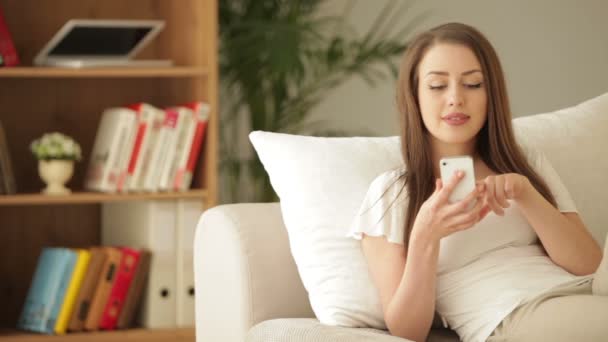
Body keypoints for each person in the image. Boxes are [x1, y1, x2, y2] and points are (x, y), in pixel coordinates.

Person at [347, 22, 608, 342]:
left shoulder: (525, 164)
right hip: (513, 315)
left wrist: (526, 194)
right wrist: (425, 237)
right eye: (437, 86)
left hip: (583, 293)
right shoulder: (393, 192)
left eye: (472, 84)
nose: (456, 98)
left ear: (491, 94)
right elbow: (407, 330)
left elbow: (590, 265)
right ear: (414, 96)